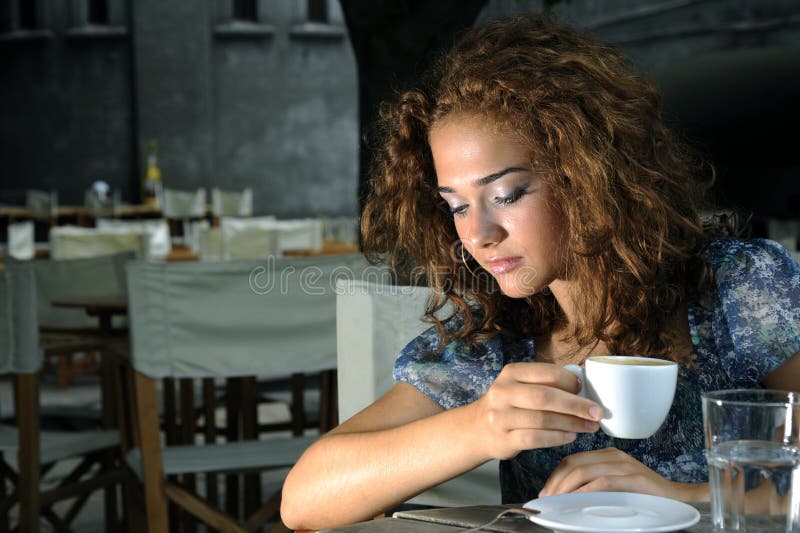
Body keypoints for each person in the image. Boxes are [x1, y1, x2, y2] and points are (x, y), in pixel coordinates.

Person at [281, 13, 800, 531]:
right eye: (457, 206)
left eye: (506, 194)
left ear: (588, 175)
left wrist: (686, 496)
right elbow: (305, 501)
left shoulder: (742, 291)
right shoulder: (497, 342)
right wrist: (479, 427)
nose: (479, 233)